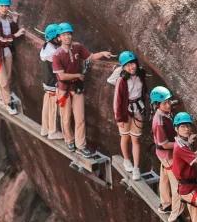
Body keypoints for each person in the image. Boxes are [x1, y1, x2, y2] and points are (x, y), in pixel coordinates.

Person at [52, 23, 114, 156]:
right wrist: (77, 75)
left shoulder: (77, 47)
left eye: (69, 34)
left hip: (76, 88)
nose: (67, 37)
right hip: (64, 89)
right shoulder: (57, 55)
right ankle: (69, 140)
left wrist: (102, 53)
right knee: (66, 118)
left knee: (80, 118)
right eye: (64, 35)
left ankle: (81, 145)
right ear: (59, 38)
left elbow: (89, 57)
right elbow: (61, 76)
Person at [151, 86, 187, 222]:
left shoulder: (166, 113)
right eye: (164, 103)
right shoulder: (159, 122)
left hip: (164, 156)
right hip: (167, 155)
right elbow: (164, 144)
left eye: (169, 101)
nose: (168, 105)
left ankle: (165, 204)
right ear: (157, 105)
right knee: (178, 185)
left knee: (165, 178)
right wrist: (182, 143)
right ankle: (175, 216)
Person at [108, 51, 148, 180]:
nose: (131, 67)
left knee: (135, 139)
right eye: (127, 65)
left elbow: (144, 90)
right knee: (125, 137)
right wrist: (119, 118)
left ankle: (136, 168)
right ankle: (126, 160)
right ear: (123, 67)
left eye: (133, 64)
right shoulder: (122, 80)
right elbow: (117, 101)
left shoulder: (141, 75)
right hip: (125, 111)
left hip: (138, 109)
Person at [39, 24, 64, 138]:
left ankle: (45, 129)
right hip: (52, 83)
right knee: (53, 108)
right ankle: (52, 132)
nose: (60, 38)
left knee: (46, 107)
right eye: (59, 36)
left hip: (47, 82)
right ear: (54, 37)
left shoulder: (46, 46)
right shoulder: (53, 52)